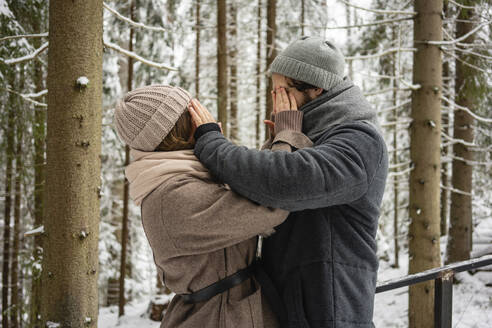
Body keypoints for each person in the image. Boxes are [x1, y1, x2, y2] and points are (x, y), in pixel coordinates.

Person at [188, 36, 389, 328]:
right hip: (295, 303)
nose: (274, 100)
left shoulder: (359, 141)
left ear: (316, 87)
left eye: (282, 91)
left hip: (331, 308)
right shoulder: (313, 132)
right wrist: (284, 136)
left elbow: (282, 181)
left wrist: (211, 143)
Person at [113, 84, 312, 328]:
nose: (205, 115)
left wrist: (274, 144)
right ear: (184, 127)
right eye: (194, 111)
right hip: (218, 318)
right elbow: (273, 202)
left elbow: (246, 192)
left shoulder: (181, 176)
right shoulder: (172, 196)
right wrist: (287, 136)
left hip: (228, 312)